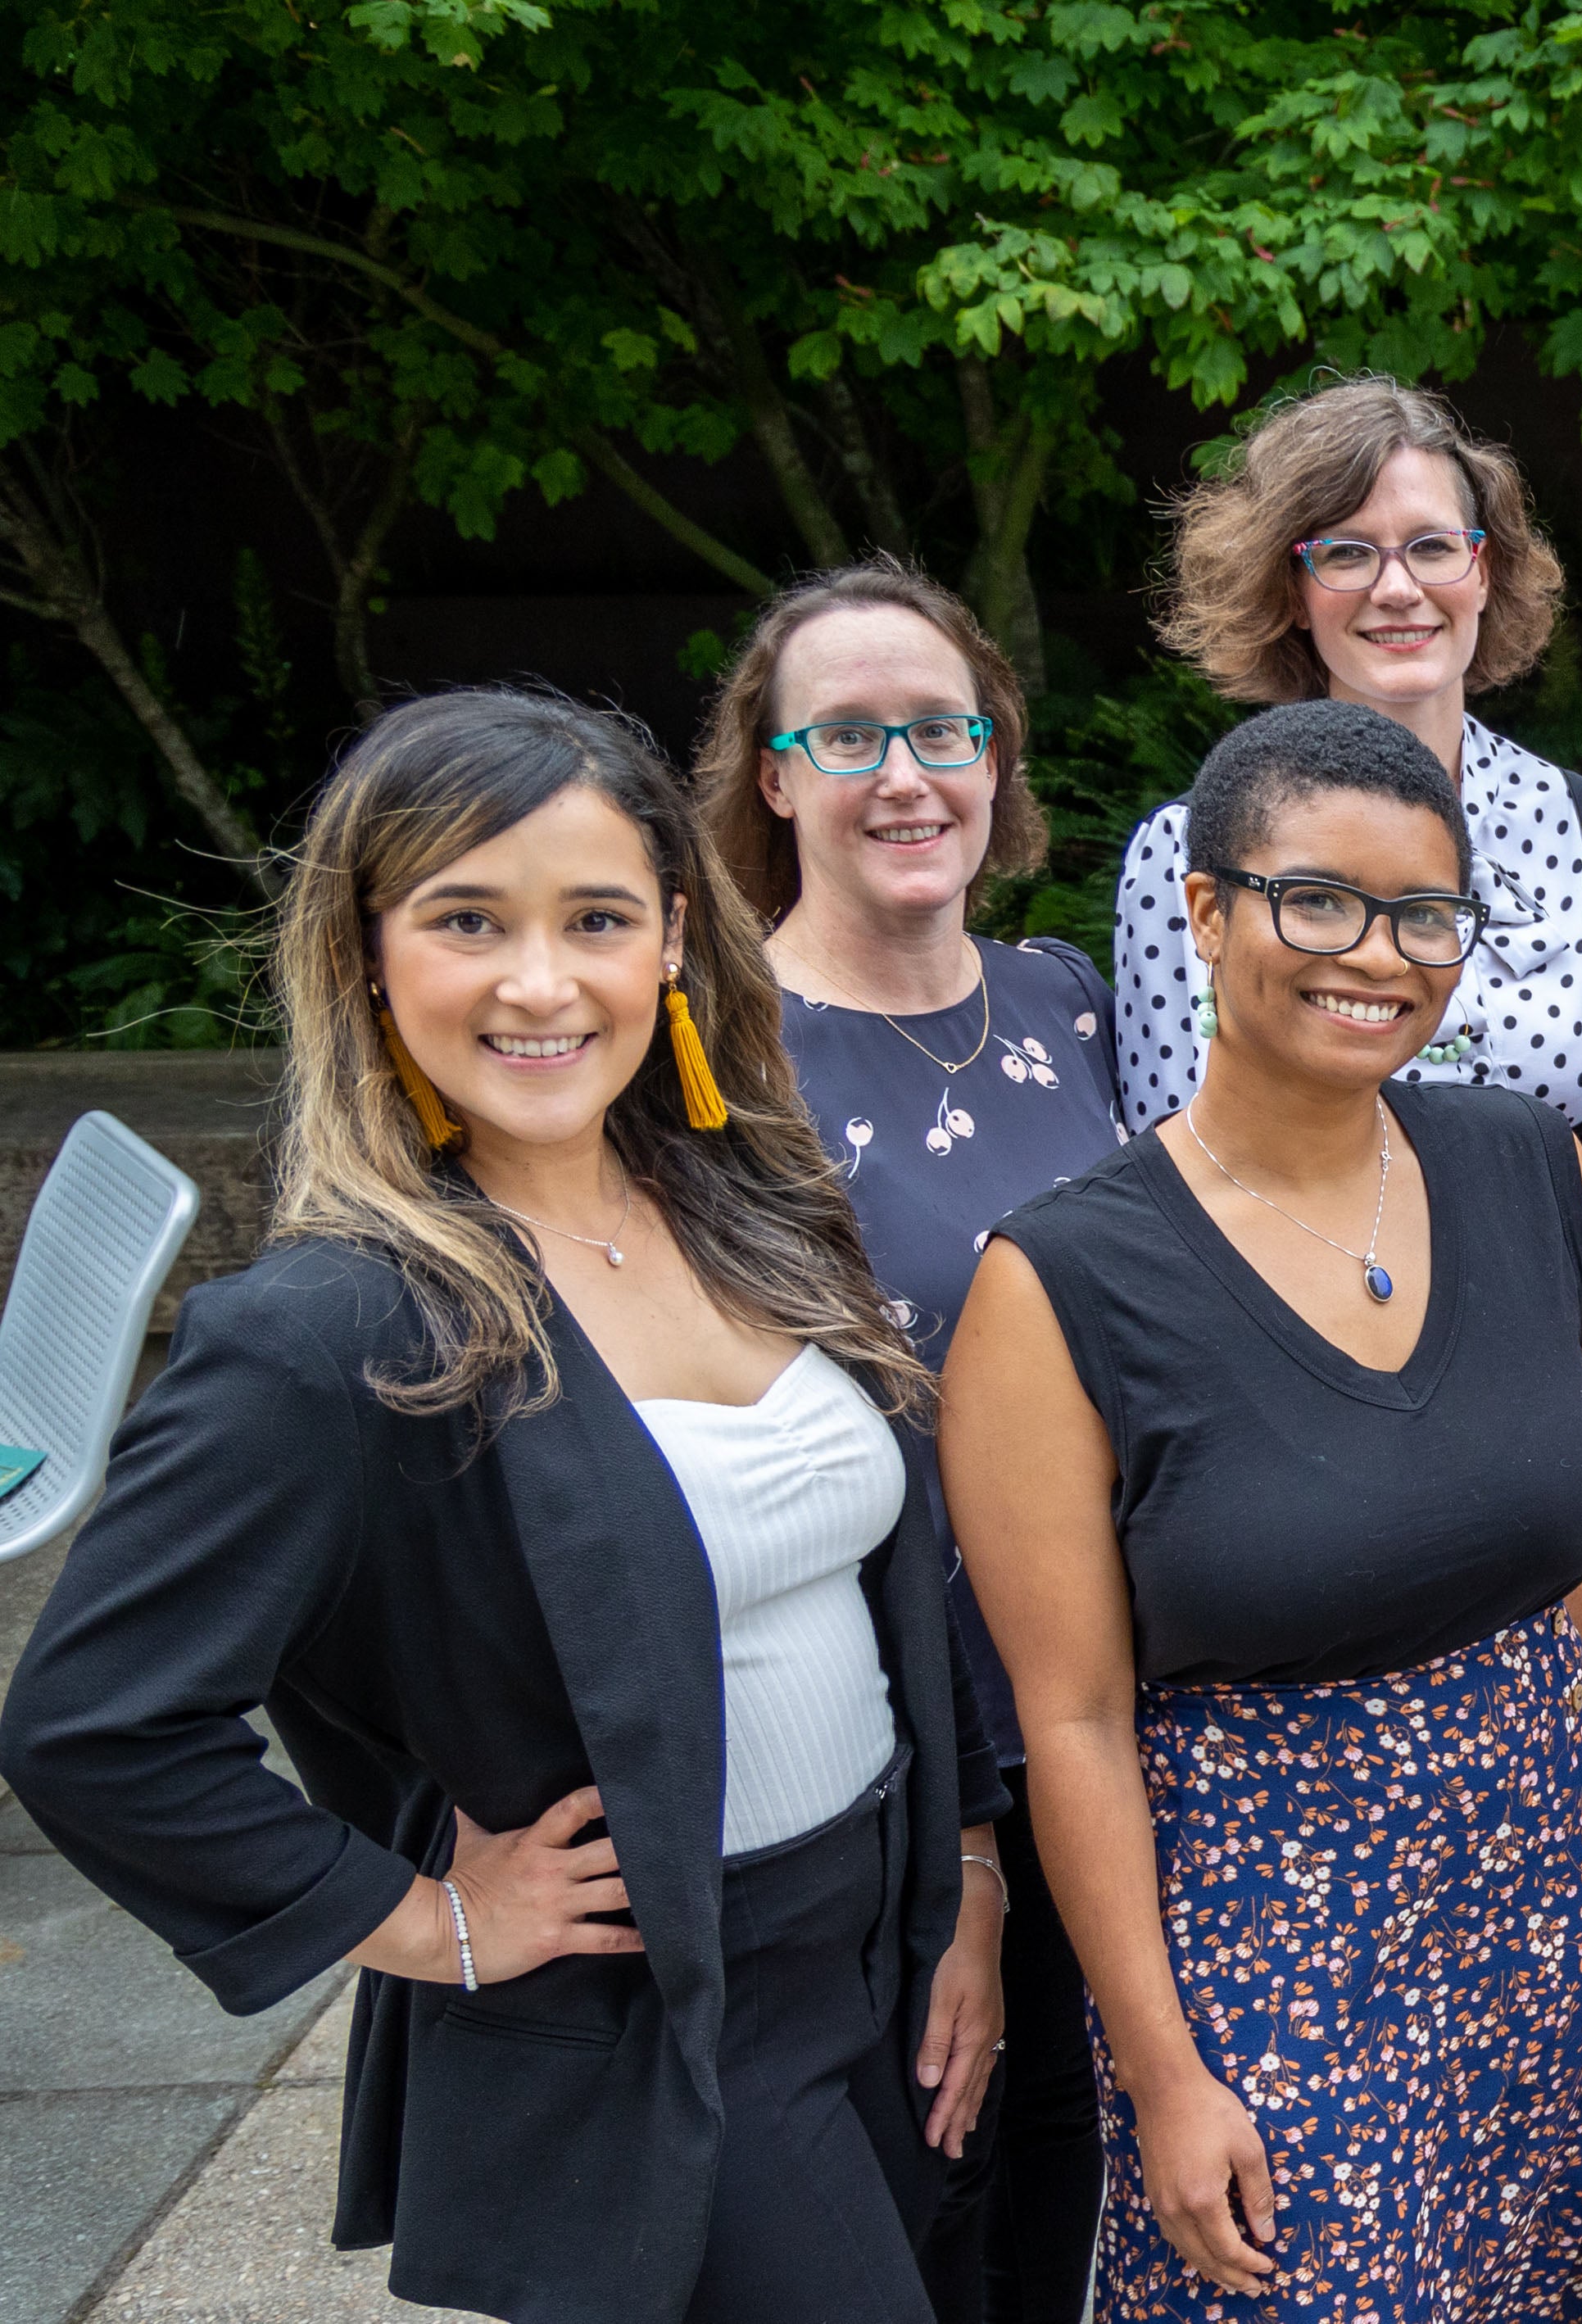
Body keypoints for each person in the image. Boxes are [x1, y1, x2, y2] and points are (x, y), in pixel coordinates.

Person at [0, 689, 1005, 2323]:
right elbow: (96, 1725)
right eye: (468, 918)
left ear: (674, 937)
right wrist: (420, 1917)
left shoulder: (747, 1197)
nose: (541, 982)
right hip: (657, 2029)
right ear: (366, 953)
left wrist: (965, 1869)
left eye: (594, 917)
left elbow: (891, 1574)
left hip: (881, 1968)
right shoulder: (335, 1328)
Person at [945, 700, 1582, 2317]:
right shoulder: (1064, 1278)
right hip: (1266, 1926)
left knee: (1520, 2281)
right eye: (1315, 898)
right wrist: (1162, 2066)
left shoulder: (1529, 1164)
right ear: (1204, 909)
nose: (1375, 953)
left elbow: (1557, 1530)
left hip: (1531, 1885)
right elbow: (1076, 1717)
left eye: (1423, 913)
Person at [693, 559, 1125, 2324]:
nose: (903, 774)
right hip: (885, 1742)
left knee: (1060, 2182)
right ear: (773, 773)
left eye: (939, 727)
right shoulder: (712, 1059)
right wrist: (952, 1841)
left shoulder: (1068, 994)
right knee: (918, 2208)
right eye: (847, 732)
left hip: (1092, 1696)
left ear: (994, 754)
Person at [1107, 375, 1582, 1697]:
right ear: (1288, 584)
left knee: (1550, 1813)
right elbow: (1164, 1162)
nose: (1397, 586)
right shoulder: (1184, 855)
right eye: (1346, 550)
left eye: (1433, 544)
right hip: (1290, 1445)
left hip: (1550, 1430)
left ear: (1488, 573)